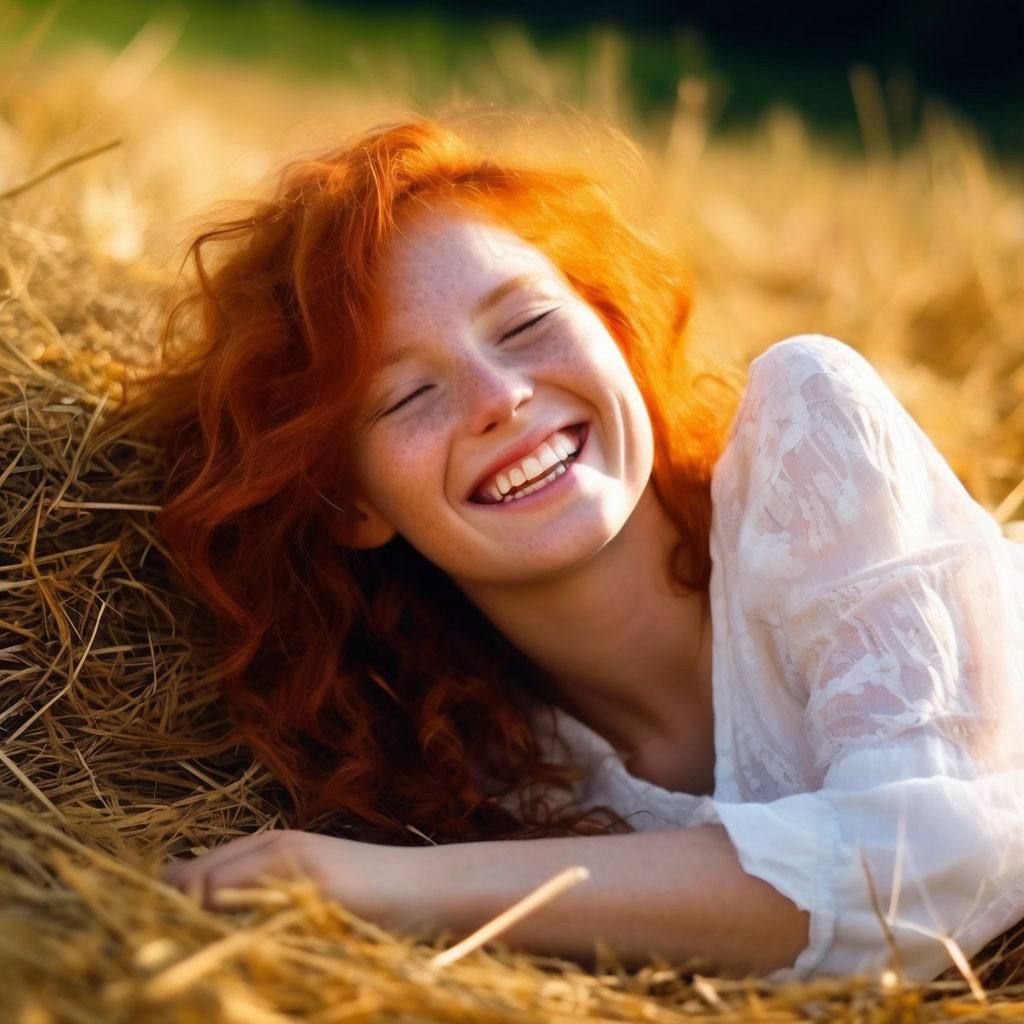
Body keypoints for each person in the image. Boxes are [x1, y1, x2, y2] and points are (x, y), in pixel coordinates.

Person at [118, 117, 1024, 983]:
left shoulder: (809, 433)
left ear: (615, 331)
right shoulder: (481, 772)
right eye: (405, 396)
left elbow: (928, 865)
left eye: (523, 325)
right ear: (353, 504)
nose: (499, 396)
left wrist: (372, 885)